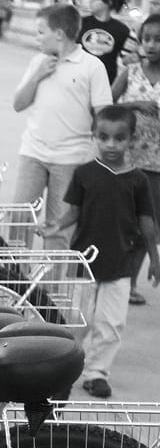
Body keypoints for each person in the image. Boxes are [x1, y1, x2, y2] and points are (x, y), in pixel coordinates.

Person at [65, 104, 160, 396]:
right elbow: (73, 213)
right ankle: (65, 366)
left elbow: (147, 225)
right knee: (77, 319)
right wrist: (53, 226)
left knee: (112, 322)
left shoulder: (138, 181)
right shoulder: (84, 173)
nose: (111, 144)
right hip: (84, 261)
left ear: (131, 139)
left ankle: (96, 373)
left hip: (120, 265)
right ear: (94, 135)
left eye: (119, 138)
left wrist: (155, 260)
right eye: (103, 137)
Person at [11, 2, 112, 251]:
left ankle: (51, 289)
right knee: (18, 221)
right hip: (32, 154)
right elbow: (18, 104)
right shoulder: (38, 61)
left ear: (59, 34)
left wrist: (98, 156)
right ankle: (13, 283)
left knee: (59, 228)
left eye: (40, 31)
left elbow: (104, 116)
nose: (37, 37)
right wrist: (37, 76)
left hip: (70, 159)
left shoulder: (92, 66)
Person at [114, 12, 160, 302]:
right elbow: (104, 104)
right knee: (122, 223)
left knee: (150, 226)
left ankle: (128, 283)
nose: (151, 45)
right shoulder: (130, 73)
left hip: (157, 167)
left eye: (158, 40)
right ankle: (115, 281)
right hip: (126, 163)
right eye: (146, 39)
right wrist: (136, 103)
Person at [78, 0, 132, 88]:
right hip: (79, 81)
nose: (91, 0)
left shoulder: (121, 30)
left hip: (105, 84)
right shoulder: (80, 23)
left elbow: (127, 58)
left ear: (108, 3)